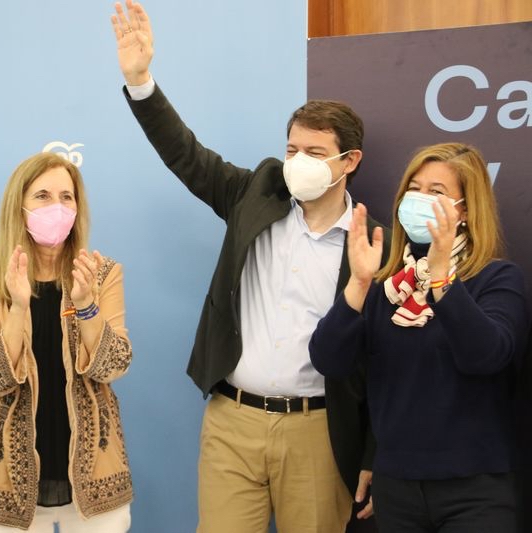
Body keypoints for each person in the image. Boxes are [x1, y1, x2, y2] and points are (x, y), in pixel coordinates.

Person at [111, 2, 389, 531]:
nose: (299, 162)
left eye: (315, 151)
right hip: (231, 423)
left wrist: (373, 451)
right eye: (292, 149)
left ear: (349, 161)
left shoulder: (372, 246)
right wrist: (141, 81)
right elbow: (186, 155)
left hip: (318, 432)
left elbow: (383, 363)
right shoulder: (255, 193)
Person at [309, 143, 528, 531]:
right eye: (414, 187)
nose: (419, 198)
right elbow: (329, 361)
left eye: (437, 192)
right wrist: (359, 284)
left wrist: (443, 276)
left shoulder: (497, 280)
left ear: (465, 210)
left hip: (475, 489)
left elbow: (485, 356)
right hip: (397, 489)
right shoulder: (387, 288)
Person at [0, 152, 133, 532]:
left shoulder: (101, 275)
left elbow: (115, 365)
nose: (56, 206)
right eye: (42, 196)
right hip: (10, 482)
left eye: (66, 197)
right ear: (19, 206)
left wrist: (87, 304)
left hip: (95, 479)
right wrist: (18, 305)